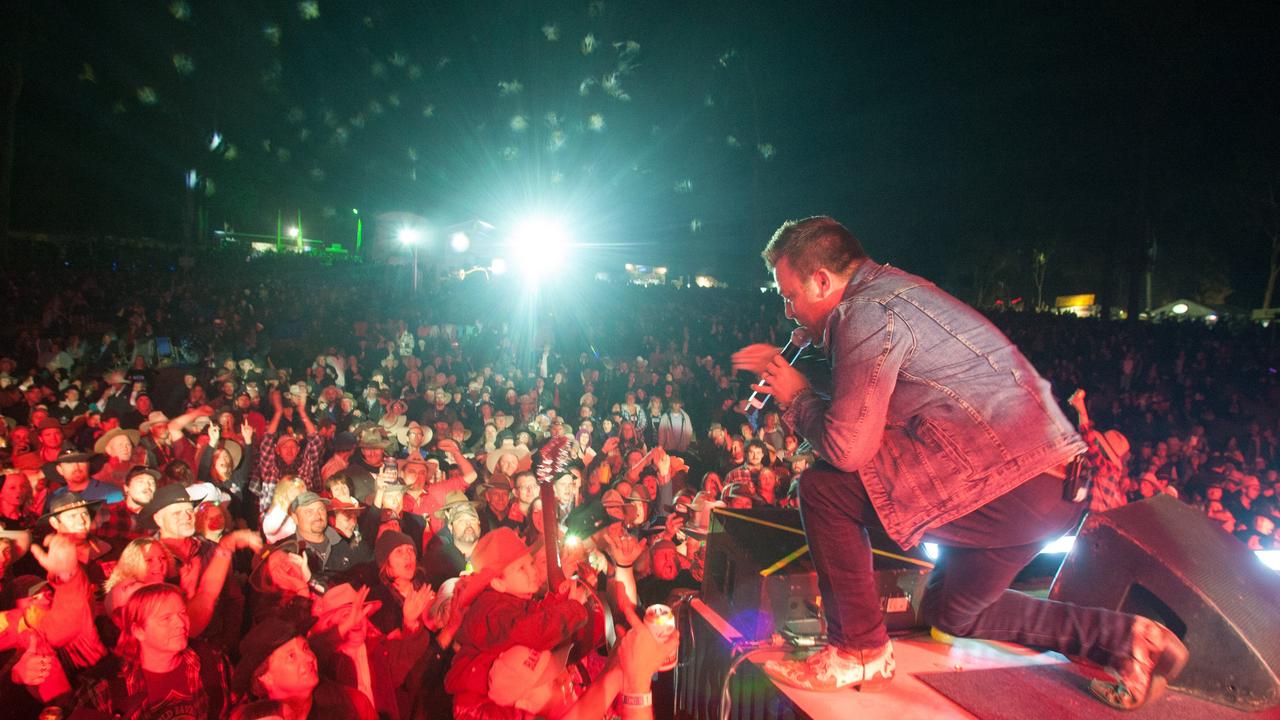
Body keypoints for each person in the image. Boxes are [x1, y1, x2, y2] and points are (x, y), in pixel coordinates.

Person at [731, 216, 1187, 708]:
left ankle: (859, 648)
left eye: (789, 295)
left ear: (822, 281)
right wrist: (809, 392)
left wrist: (798, 400)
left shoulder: (862, 313)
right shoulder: (901, 292)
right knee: (951, 611)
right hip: (1054, 490)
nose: (788, 310)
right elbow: (877, 412)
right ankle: (1128, 640)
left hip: (1005, 484)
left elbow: (847, 448)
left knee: (825, 489)